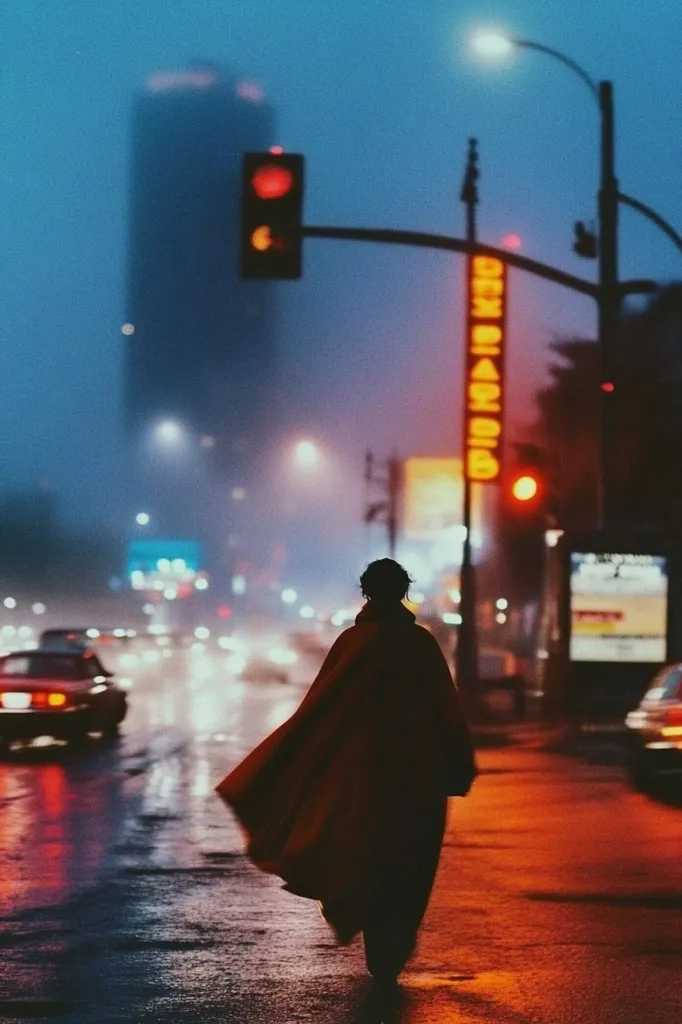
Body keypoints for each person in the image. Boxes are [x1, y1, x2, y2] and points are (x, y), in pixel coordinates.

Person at [215, 558, 477, 984]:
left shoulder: (354, 644)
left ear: (368, 592)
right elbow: (447, 711)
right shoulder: (419, 645)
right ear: (402, 592)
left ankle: (379, 946)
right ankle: (391, 951)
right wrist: (458, 766)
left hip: (362, 779)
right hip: (418, 779)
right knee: (409, 866)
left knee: (368, 858)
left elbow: (318, 711)